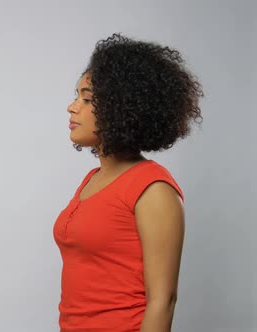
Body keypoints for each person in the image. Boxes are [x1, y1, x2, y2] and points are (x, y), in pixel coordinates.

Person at [53, 33, 203, 331]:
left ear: (120, 108)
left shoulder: (153, 188)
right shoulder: (92, 180)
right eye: (76, 96)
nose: (72, 107)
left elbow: (163, 300)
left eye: (86, 99)